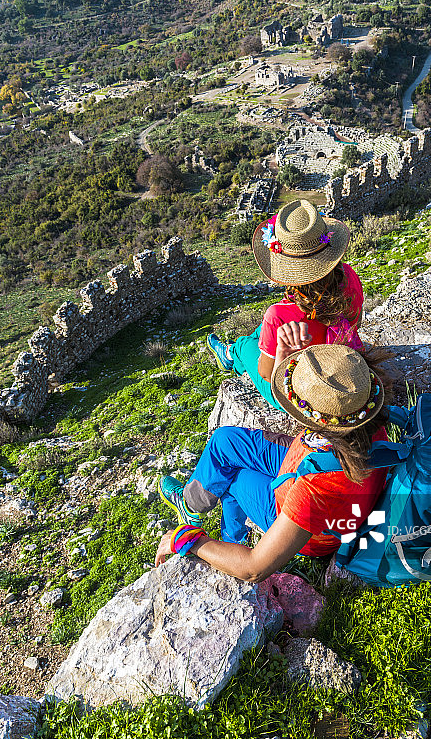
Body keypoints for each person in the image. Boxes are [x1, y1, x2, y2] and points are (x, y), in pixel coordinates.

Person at [155, 327, 390, 582]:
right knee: (224, 441)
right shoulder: (362, 415)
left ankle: (231, 543)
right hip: (310, 457)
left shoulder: (316, 490)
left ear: (317, 418)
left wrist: (184, 540)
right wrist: (282, 362)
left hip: (305, 522)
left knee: (233, 479)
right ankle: (191, 505)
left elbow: (254, 568)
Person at [206, 200, 364, 411]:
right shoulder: (350, 276)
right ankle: (243, 347)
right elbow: (357, 320)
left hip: (300, 395)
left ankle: (230, 354)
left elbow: (266, 372)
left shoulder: (278, 314)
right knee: (263, 330)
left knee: (245, 345)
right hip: (341, 366)